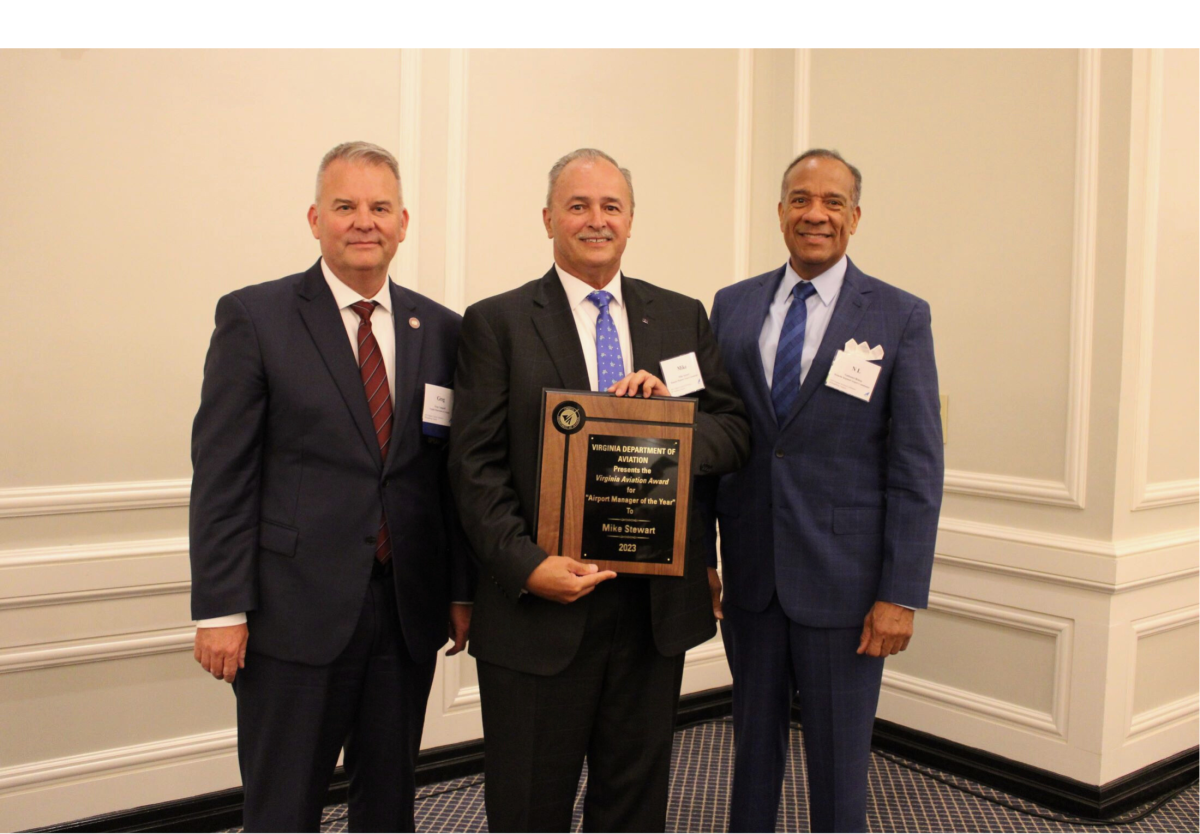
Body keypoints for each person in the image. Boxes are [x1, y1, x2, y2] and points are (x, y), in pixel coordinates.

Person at [448, 148, 749, 832]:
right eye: (578, 206)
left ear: (632, 220)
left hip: (650, 613)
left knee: (633, 804)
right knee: (528, 804)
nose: (595, 220)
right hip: (539, 611)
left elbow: (736, 433)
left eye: (611, 206)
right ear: (548, 218)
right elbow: (474, 467)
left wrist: (672, 421)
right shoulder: (496, 323)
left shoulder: (680, 317)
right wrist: (528, 566)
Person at [189, 141, 473, 832]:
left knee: (388, 805)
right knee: (283, 806)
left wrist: (461, 590)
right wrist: (220, 607)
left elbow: (451, 478)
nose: (363, 222)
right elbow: (223, 475)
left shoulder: (441, 329)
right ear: (314, 219)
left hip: (404, 612)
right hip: (292, 616)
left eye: (379, 208)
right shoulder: (255, 318)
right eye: (345, 207)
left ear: (404, 222)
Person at [700, 149, 944, 833]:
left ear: (855, 217)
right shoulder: (733, 306)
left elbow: (918, 466)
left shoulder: (900, 316)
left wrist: (900, 593)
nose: (815, 213)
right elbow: (715, 440)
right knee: (750, 748)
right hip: (751, 575)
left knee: (839, 760)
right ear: (779, 213)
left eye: (833, 201)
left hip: (845, 586)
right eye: (801, 199)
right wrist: (700, 557)